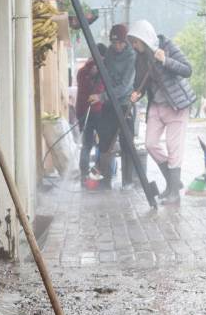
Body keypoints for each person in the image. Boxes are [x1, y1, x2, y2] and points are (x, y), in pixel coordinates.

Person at [126, 20, 196, 204]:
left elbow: (187, 70)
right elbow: (141, 83)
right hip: (156, 105)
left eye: (136, 41)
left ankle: (173, 192)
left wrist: (165, 60)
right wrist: (136, 94)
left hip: (176, 105)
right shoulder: (139, 57)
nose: (134, 45)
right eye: (132, 42)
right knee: (150, 144)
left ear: (145, 38)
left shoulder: (167, 45)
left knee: (174, 150)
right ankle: (174, 183)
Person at [92, 24, 136, 190]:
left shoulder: (132, 56)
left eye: (120, 43)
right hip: (109, 104)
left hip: (125, 104)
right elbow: (107, 75)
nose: (117, 46)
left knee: (127, 143)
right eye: (114, 43)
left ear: (125, 42)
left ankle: (128, 181)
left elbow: (126, 86)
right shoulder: (110, 52)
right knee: (104, 140)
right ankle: (105, 179)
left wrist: (101, 96)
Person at [76, 43, 107, 185]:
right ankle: (89, 173)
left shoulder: (82, 71)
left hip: (84, 112)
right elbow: (97, 90)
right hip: (92, 112)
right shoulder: (90, 71)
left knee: (88, 144)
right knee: (96, 144)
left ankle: (89, 174)